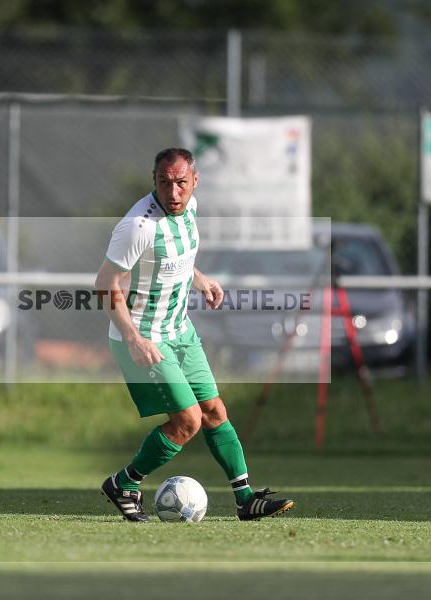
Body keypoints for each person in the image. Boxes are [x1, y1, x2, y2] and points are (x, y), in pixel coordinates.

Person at [96, 147, 295, 522]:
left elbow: (177, 259)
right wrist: (134, 338)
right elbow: (105, 285)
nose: (173, 193)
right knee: (188, 421)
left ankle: (245, 498)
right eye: (164, 183)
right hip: (143, 337)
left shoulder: (190, 207)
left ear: (194, 180)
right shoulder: (138, 227)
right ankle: (125, 482)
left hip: (180, 330)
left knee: (214, 411)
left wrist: (201, 280)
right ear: (153, 181)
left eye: (181, 184)